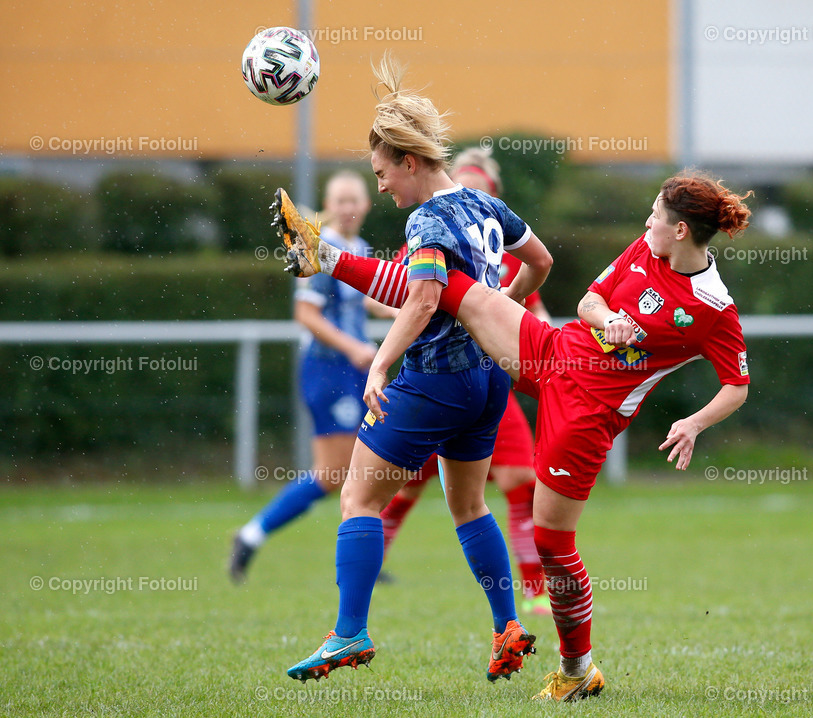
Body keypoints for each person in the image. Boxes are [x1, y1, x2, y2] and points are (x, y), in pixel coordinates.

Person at [278, 169, 752, 701]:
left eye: (656, 215)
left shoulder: (713, 307)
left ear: (682, 231)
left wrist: (692, 423)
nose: (647, 222)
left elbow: (737, 386)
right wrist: (610, 318)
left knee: (552, 542)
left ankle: (577, 670)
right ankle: (325, 254)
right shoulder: (646, 246)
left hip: (587, 415)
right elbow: (589, 301)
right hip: (551, 351)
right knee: (451, 288)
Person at [274, 53, 554, 683]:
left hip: (437, 382)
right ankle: (508, 627)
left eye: (381, 173)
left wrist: (379, 362)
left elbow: (422, 299)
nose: (380, 188)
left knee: (358, 498)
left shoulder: (425, 218)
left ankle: (349, 635)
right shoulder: (482, 206)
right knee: (469, 505)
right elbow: (540, 260)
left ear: (409, 160)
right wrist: (498, 308)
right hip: (487, 383)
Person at [378, 147, 553, 615]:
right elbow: (401, 293)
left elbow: (532, 315)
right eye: (467, 180)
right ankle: (373, 563)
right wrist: (423, 310)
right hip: (435, 372)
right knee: (409, 485)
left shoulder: (499, 249)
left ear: (493, 196)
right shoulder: (429, 226)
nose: (472, 191)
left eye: (482, 186)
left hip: (484, 377)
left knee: (516, 480)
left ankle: (532, 590)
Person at [229, 171, 383, 583]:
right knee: (336, 473)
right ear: (328, 205)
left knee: (361, 468)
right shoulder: (317, 247)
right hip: (327, 369)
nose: (349, 207)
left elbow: (370, 304)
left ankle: (362, 558)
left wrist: (417, 308)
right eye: (341, 200)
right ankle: (251, 534)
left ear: (367, 204)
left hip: (352, 369)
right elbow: (305, 314)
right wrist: (353, 348)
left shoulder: (359, 247)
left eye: (355, 199)